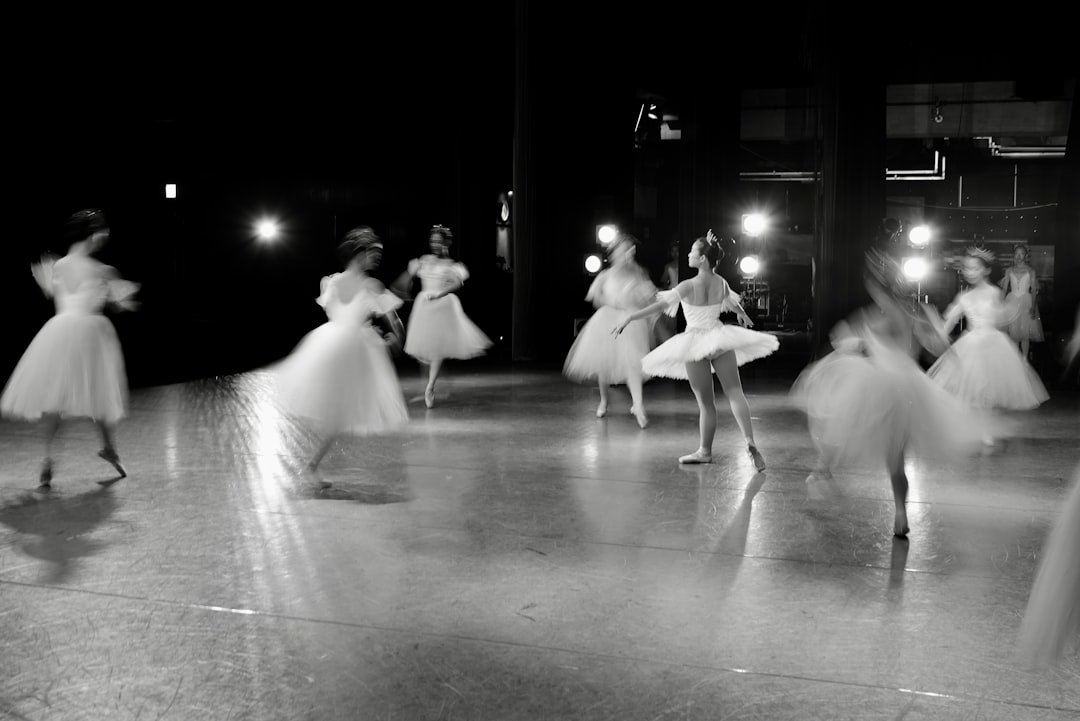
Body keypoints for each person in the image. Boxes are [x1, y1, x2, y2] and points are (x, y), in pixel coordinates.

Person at [791, 245, 989, 537]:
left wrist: (850, 339)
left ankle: (823, 470)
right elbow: (936, 345)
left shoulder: (878, 314)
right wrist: (953, 359)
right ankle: (898, 512)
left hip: (885, 384)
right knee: (892, 456)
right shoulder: (908, 312)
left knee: (846, 425)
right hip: (907, 386)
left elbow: (845, 339)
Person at [613, 230, 778, 467]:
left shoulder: (688, 285)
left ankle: (705, 452)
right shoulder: (720, 282)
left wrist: (630, 317)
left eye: (692, 251)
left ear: (702, 258)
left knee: (706, 404)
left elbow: (659, 306)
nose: (688, 254)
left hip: (694, 343)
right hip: (719, 338)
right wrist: (742, 314)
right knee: (735, 392)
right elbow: (731, 303)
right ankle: (750, 441)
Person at [1, 209, 138, 490]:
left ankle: (49, 458)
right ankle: (109, 448)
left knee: (56, 399)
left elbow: (55, 292)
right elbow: (119, 303)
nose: (105, 235)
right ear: (93, 234)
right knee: (99, 395)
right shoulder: (102, 270)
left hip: (60, 332)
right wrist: (124, 300)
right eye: (102, 231)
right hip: (90, 335)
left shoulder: (57, 266)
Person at [274, 226, 409, 484]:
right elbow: (394, 323)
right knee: (339, 410)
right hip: (351, 349)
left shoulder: (332, 282)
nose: (376, 258)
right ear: (359, 254)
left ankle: (312, 464)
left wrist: (376, 332)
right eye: (373, 253)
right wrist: (393, 339)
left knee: (337, 410)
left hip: (332, 343)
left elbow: (336, 312)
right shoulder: (370, 286)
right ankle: (312, 464)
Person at [927, 246, 1048, 445]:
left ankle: (986, 429)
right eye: (967, 268)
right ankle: (972, 428)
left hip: (993, 345)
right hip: (971, 344)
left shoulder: (994, 292)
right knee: (971, 388)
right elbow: (949, 321)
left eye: (975, 268)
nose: (970, 272)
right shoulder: (964, 297)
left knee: (987, 390)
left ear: (986, 270)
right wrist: (937, 327)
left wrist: (1011, 312)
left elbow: (1000, 316)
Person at [563, 233, 656, 428]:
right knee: (604, 364)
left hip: (630, 321)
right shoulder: (605, 275)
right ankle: (604, 401)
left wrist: (642, 301)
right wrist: (612, 301)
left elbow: (647, 298)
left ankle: (638, 405)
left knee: (633, 362)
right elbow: (597, 299)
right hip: (608, 320)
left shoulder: (638, 273)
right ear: (615, 253)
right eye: (624, 250)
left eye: (630, 250)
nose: (628, 253)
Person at [397, 225, 491, 408]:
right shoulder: (424, 260)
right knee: (423, 349)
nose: (435, 244)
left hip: (441, 306)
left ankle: (430, 387)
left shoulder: (450, 265)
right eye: (433, 241)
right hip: (424, 306)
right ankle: (429, 383)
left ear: (446, 243)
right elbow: (408, 277)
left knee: (437, 349)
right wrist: (404, 288)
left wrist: (439, 294)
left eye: (439, 241)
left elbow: (456, 284)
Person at [999, 244, 1043, 361]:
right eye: (1017, 254)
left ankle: (1024, 361)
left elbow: (1033, 290)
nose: (1019, 256)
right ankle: (1015, 361)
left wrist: (1033, 307)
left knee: (1024, 334)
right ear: (1014, 255)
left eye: (1021, 254)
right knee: (1013, 333)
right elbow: (1004, 289)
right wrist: (1001, 305)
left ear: (1025, 255)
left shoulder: (1031, 271)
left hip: (1026, 302)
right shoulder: (1009, 270)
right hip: (1012, 301)